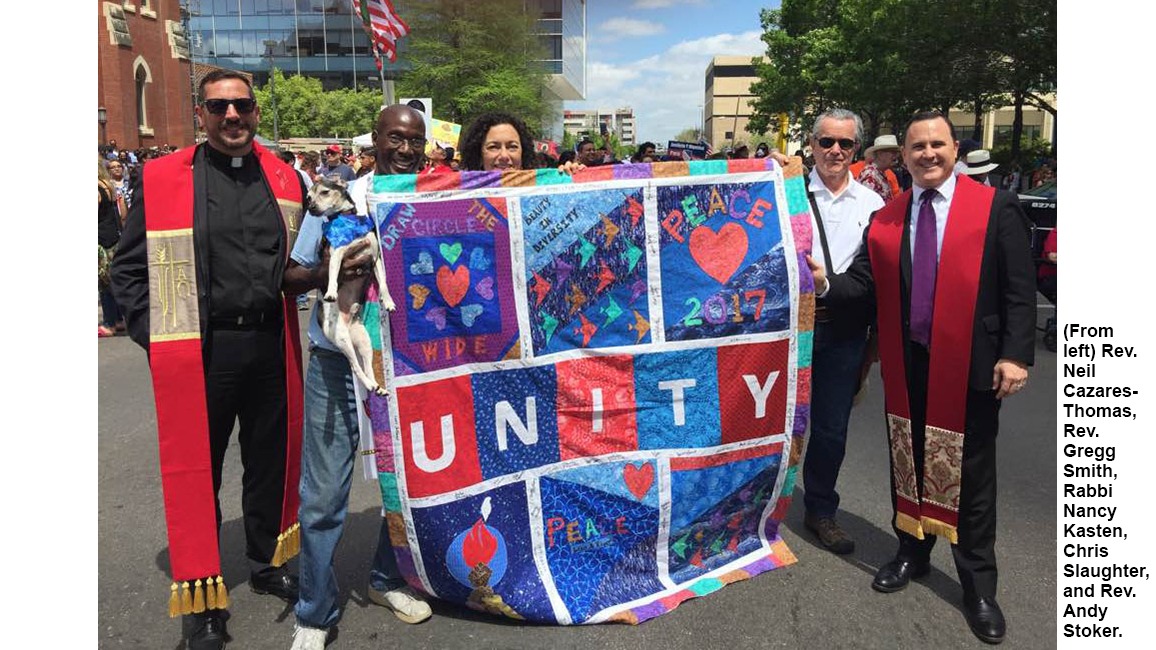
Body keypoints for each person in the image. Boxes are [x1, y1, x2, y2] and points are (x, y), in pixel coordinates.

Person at [811, 111, 1035, 644]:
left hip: (972, 363)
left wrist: (1016, 355)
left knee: (972, 475)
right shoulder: (888, 217)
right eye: (917, 147)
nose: (927, 154)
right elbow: (862, 285)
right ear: (903, 156)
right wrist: (823, 284)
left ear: (954, 150)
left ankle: (978, 585)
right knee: (908, 461)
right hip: (908, 360)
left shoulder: (994, 206)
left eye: (937, 145)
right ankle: (912, 550)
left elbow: (1019, 289)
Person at [110, 69, 307, 650]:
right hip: (203, 349)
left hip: (271, 343)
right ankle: (202, 597)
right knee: (200, 467)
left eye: (241, 106)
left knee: (270, 460)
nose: (231, 116)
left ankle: (267, 561)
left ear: (255, 112)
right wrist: (156, 336)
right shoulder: (164, 177)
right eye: (219, 106)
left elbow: (304, 258)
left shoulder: (286, 178)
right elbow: (126, 268)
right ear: (202, 113)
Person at [282, 104, 434, 650]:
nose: (406, 148)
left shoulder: (436, 193)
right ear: (375, 139)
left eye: (415, 140)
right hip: (338, 357)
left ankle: (386, 578)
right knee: (324, 493)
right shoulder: (340, 197)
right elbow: (290, 276)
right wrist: (337, 269)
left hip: (416, 363)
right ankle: (315, 614)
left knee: (411, 481)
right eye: (395, 138)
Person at [797, 109, 884, 555]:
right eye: (826, 141)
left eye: (844, 144)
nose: (834, 150)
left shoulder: (874, 206)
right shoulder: (785, 191)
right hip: (787, 333)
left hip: (843, 334)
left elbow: (875, 279)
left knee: (831, 430)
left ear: (855, 150)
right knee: (767, 425)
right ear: (811, 144)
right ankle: (749, 510)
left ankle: (820, 510)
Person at [459, 112, 538, 171]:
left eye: (512, 147)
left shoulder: (543, 190)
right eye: (493, 147)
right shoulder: (459, 192)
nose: (504, 156)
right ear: (479, 155)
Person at [98, 159, 123, 338]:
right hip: (113, 235)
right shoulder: (109, 185)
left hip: (100, 239)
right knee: (112, 280)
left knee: (104, 282)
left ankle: (109, 323)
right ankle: (119, 319)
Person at [853, 134, 902, 201]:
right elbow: (866, 206)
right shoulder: (870, 176)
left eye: (896, 153)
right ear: (880, 154)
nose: (896, 156)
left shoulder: (879, 173)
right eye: (893, 152)